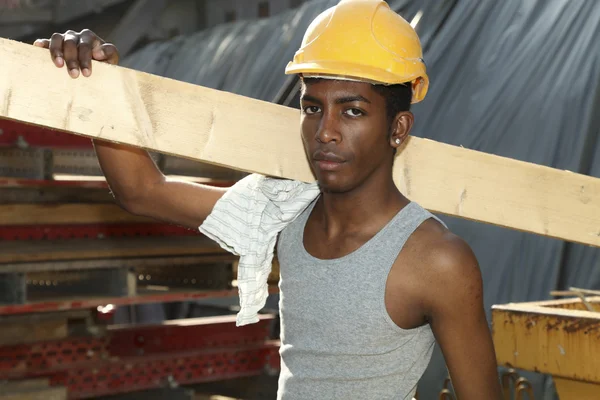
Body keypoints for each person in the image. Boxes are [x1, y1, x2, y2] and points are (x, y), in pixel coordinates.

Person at [34, 0, 503, 398]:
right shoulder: (283, 210)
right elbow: (142, 191)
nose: (326, 132)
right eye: (312, 107)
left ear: (398, 128)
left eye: (353, 111)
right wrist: (96, 87)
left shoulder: (438, 261)